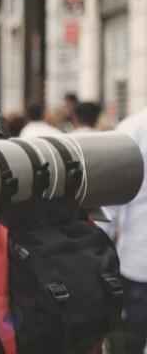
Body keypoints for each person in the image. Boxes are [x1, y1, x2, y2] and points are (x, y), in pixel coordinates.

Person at [100, 107, 147, 354]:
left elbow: (110, 204)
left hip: (139, 262)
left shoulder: (133, 128)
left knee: (130, 343)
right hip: (138, 260)